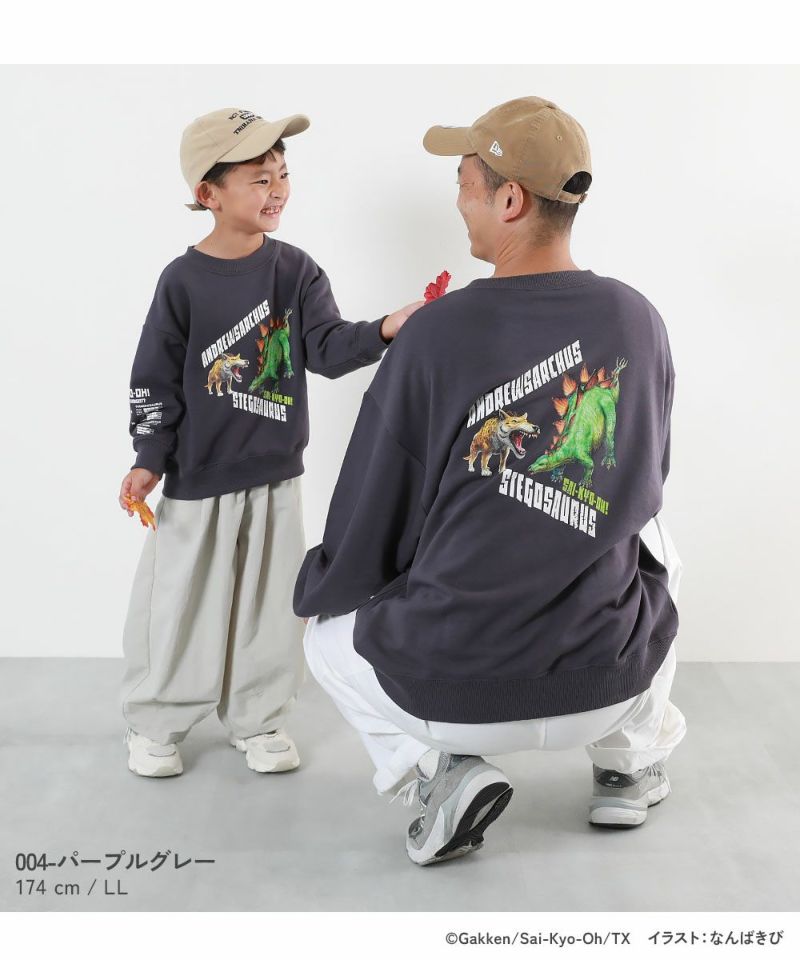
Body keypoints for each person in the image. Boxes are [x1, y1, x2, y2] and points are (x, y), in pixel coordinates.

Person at [294, 97, 686, 866]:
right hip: (607, 681)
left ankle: (440, 774)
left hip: (452, 697)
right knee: (657, 542)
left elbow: (376, 514)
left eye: (465, 184)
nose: (459, 201)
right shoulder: (637, 319)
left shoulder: (435, 332)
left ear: (509, 201)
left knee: (324, 640)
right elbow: (644, 480)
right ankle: (629, 766)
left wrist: (324, 586)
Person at [118, 107, 423, 778]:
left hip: (276, 474)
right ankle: (157, 721)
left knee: (270, 608)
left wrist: (386, 328)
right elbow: (154, 377)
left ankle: (258, 720)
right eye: (260, 178)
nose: (278, 189)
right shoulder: (182, 281)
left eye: (283, 174)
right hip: (198, 478)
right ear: (208, 193)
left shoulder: (295, 271)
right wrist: (148, 459)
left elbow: (326, 348)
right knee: (180, 605)